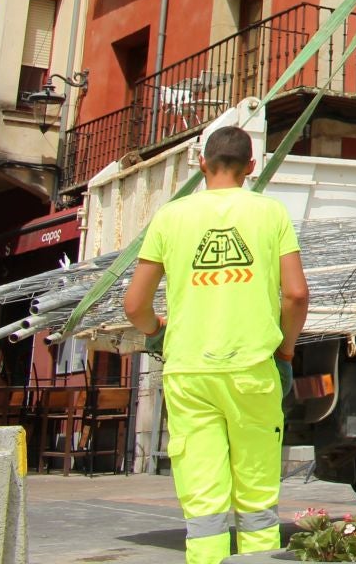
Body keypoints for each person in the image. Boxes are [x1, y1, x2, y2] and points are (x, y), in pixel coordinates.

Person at [122, 126, 309, 564]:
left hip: (189, 373)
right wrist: (284, 353)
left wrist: (157, 332)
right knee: (258, 502)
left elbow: (135, 305)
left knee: (203, 507)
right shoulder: (270, 213)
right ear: (251, 167)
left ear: (202, 164)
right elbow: (297, 295)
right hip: (252, 371)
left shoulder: (170, 217)